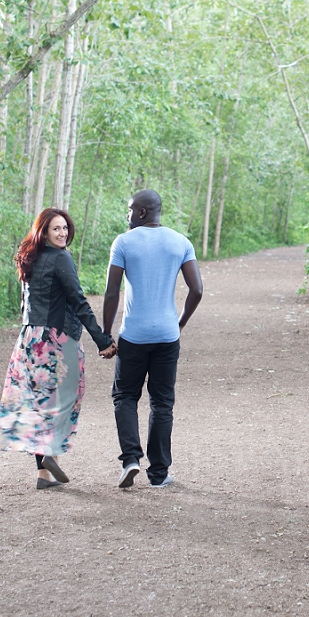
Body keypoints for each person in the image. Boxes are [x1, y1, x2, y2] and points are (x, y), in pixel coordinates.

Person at [0, 207, 117, 489]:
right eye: (56, 229)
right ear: (44, 232)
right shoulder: (61, 258)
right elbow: (78, 301)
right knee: (67, 397)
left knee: (39, 402)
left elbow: (27, 303)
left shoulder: (31, 256)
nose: (63, 233)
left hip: (30, 338)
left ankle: (43, 474)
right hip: (56, 339)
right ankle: (50, 449)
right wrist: (102, 339)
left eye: (65, 228)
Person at [103, 189, 202, 489]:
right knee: (162, 403)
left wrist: (106, 334)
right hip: (167, 336)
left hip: (133, 336)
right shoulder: (180, 242)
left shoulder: (123, 242)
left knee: (124, 396)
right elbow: (196, 290)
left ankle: (131, 459)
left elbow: (111, 293)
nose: (127, 214)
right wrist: (180, 323)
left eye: (130, 208)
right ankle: (159, 474)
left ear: (142, 212)